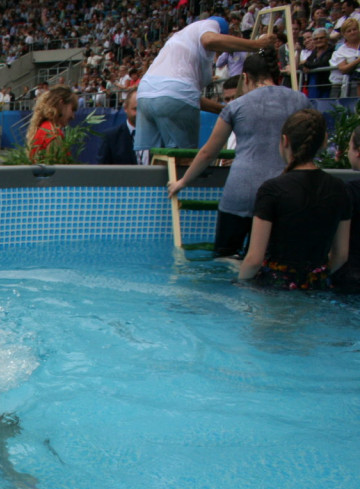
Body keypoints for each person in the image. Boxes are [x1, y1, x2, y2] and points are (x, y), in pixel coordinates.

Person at [168, 50, 311, 259]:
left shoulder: (237, 106)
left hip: (241, 191)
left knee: (224, 258)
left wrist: (183, 181)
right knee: (268, 260)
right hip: (284, 191)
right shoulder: (300, 101)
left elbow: (209, 152)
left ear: (245, 78)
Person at [239, 109, 351, 288]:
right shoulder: (339, 188)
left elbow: (254, 259)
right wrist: (314, 277)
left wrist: (240, 284)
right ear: (324, 141)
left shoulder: (272, 189)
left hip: (275, 286)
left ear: (285, 141)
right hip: (316, 286)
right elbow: (341, 255)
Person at [135, 15, 276, 153]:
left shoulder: (182, 43)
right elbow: (209, 40)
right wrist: (256, 45)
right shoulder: (209, 25)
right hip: (173, 99)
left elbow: (184, 96)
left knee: (152, 156)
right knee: (183, 159)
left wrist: (223, 110)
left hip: (144, 96)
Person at [332, 126, 360, 292]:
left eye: (349, 147)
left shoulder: (350, 192)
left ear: (358, 151)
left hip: (351, 277)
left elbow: (340, 253)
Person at [26, 85, 78, 162]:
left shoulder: (44, 127)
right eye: (72, 109)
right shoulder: (52, 134)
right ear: (61, 104)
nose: (73, 116)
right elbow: (58, 172)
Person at [97, 89, 143, 165]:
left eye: (143, 109)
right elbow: (102, 172)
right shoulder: (110, 138)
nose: (140, 113)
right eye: (135, 109)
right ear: (125, 108)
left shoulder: (158, 136)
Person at [330, 17, 360, 96]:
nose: (352, 32)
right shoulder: (341, 51)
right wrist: (358, 60)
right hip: (353, 84)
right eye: (349, 31)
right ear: (344, 34)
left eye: (354, 29)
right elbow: (343, 69)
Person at [302, 27, 333, 98]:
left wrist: (306, 65)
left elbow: (322, 63)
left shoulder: (331, 51)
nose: (319, 40)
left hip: (324, 85)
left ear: (327, 39)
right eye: (316, 39)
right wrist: (304, 66)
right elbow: (304, 64)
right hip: (312, 84)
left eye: (321, 38)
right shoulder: (314, 52)